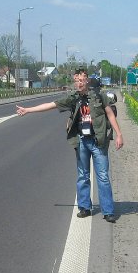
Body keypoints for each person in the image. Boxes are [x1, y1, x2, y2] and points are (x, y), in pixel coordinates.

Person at [16, 68, 124, 223]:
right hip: (81, 141)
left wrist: (119, 134)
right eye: (77, 80)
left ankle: (108, 211)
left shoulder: (99, 96)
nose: (79, 82)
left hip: (98, 141)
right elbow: (51, 105)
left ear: (87, 80)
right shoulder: (73, 98)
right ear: (74, 81)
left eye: (82, 79)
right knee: (83, 176)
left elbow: (110, 114)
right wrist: (27, 110)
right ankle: (84, 208)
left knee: (103, 177)